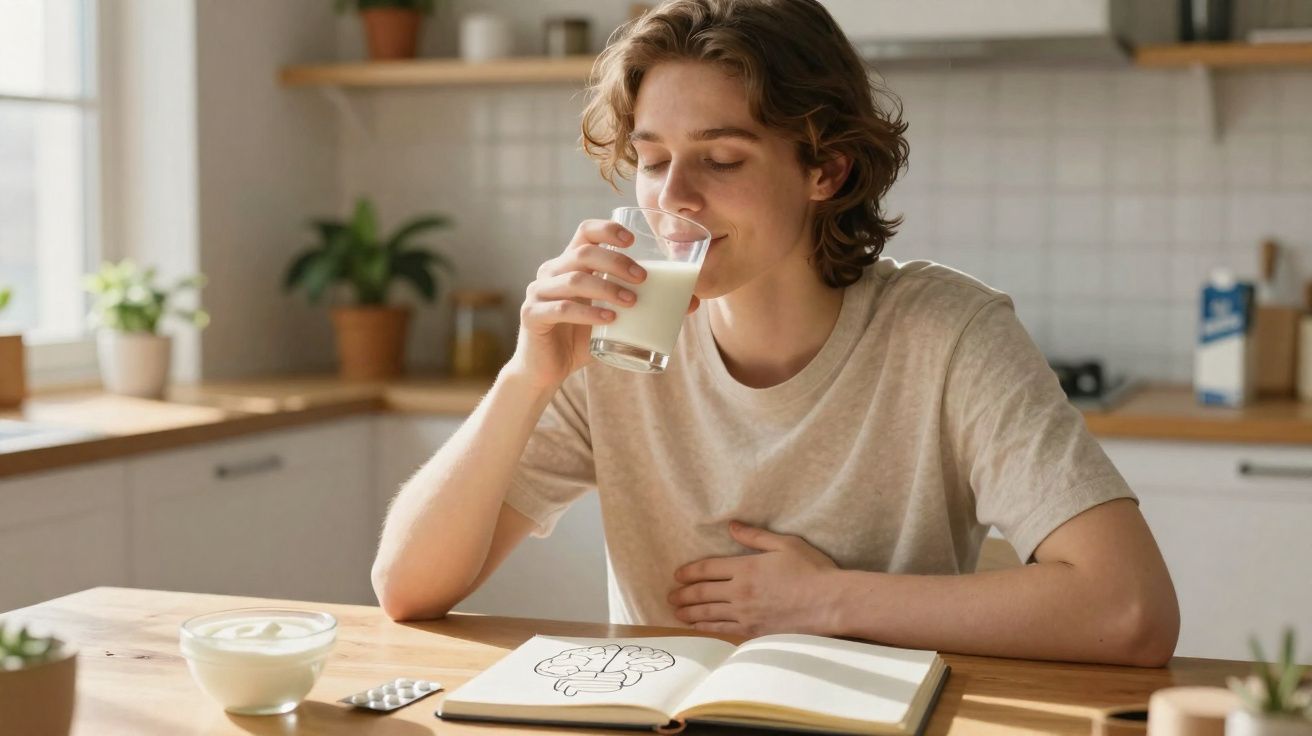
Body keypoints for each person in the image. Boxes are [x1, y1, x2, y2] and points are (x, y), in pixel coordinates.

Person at [371, 0, 1180, 667]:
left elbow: (1131, 610)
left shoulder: (948, 334)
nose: (675, 199)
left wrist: (827, 601)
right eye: (653, 161)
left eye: (720, 159)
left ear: (824, 170)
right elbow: (407, 589)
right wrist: (524, 378)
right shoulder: (616, 340)